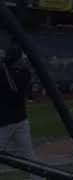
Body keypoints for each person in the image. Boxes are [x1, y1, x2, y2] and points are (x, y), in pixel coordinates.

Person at [0, 39, 42, 180]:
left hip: (5, 122)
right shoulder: (23, 73)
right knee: (28, 154)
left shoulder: (15, 74)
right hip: (21, 120)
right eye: (21, 57)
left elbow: (8, 76)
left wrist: (3, 61)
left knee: (27, 153)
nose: (23, 59)